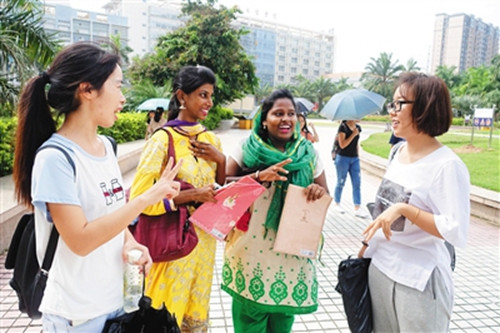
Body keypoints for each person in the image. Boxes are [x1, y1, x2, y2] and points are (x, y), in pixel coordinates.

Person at [12, 42, 182, 332]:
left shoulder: (105, 146)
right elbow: (80, 240)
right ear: (87, 89)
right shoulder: (55, 158)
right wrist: (145, 199)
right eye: (117, 86)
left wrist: (130, 242)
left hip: (115, 303)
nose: (123, 98)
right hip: (77, 316)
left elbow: (110, 212)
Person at [360, 72, 470, 332]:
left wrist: (405, 209)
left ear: (424, 108)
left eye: (400, 104)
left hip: (419, 281)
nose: (392, 111)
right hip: (381, 269)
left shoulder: (447, 166)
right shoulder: (397, 152)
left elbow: (455, 229)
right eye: (392, 104)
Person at [221, 89, 329, 333]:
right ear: (264, 118)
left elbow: (325, 193)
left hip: (291, 251)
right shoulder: (246, 148)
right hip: (250, 250)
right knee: (249, 320)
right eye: (278, 113)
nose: (286, 119)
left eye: (291, 114)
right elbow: (224, 185)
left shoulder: (308, 153)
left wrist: (314, 190)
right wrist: (258, 176)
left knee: (282, 320)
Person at [129, 65, 226, 331]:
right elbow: (139, 198)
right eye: (203, 95)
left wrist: (221, 159)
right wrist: (192, 195)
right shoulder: (162, 140)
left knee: (194, 320)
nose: (209, 102)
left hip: (204, 247)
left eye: (211, 95)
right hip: (173, 245)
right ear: (182, 96)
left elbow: (218, 190)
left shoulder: (210, 140)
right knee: (165, 318)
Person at [333, 120, 369, 217]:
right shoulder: (343, 127)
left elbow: (356, 143)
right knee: (341, 182)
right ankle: (337, 203)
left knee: (357, 183)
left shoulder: (358, 127)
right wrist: (353, 134)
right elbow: (342, 145)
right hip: (343, 158)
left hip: (354, 159)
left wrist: (357, 155)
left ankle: (357, 207)